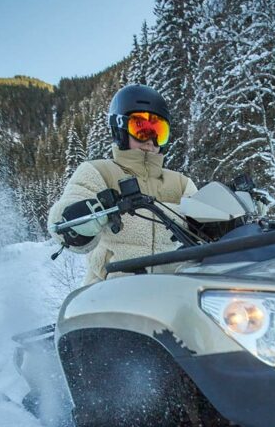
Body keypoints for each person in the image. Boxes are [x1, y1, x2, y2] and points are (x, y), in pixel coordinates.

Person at [48, 84, 197, 283]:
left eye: (158, 132)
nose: (151, 140)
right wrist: (79, 217)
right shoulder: (99, 172)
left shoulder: (180, 183)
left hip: (171, 293)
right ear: (120, 128)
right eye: (141, 129)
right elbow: (63, 216)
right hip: (112, 288)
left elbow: (205, 219)